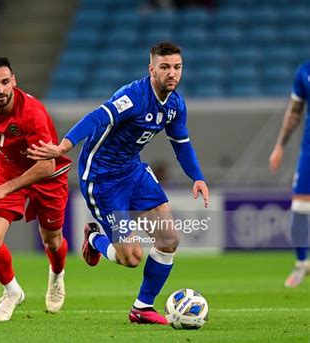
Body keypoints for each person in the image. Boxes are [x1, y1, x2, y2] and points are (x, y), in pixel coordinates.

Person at [28, 41, 209, 324]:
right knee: (131, 258)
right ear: (152, 69)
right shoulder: (133, 96)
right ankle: (93, 238)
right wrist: (64, 146)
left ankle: (142, 308)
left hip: (134, 173)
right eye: (165, 67)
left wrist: (197, 177)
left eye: (177, 67)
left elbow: (181, 143)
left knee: (169, 239)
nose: (172, 73)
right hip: (102, 179)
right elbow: (97, 117)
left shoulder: (175, 104)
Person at [0, 57, 72, 322]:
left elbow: (46, 166)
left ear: (14, 81)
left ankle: (57, 275)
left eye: (4, 82)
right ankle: (11, 291)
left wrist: (4, 189)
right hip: (8, 169)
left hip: (48, 177)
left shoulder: (31, 114)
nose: (0, 89)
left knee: (52, 241)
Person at [269, 60, 310, 288]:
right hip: (309, 151)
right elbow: (295, 112)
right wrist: (280, 146)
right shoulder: (305, 71)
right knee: (300, 209)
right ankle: (302, 263)